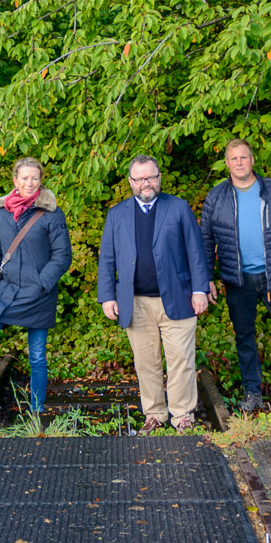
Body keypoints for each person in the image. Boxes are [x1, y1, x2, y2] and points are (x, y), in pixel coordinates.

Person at [97, 154, 211, 433]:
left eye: (151, 177)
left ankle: (182, 415)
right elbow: (107, 258)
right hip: (134, 303)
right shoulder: (117, 214)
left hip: (179, 298)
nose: (146, 183)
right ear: (130, 182)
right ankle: (155, 414)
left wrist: (200, 289)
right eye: (140, 178)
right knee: (146, 363)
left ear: (159, 178)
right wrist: (107, 296)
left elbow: (196, 252)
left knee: (181, 362)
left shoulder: (179, 208)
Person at [0, 158, 72, 428]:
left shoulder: (51, 213)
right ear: (15, 180)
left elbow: (62, 256)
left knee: (37, 355)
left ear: (40, 180)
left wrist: (42, 283)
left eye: (34, 178)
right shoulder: (3, 212)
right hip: (6, 289)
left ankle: (36, 412)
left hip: (39, 293)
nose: (29, 183)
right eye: (24, 178)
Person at [200, 139, 271, 415]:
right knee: (244, 335)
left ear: (252, 160)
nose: (239, 163)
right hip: (238, 280)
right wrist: (206, 279)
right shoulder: (216, 197)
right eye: (234, 158)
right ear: (227, 163)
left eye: (244, 158)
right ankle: (252, 392)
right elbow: (205, 241)